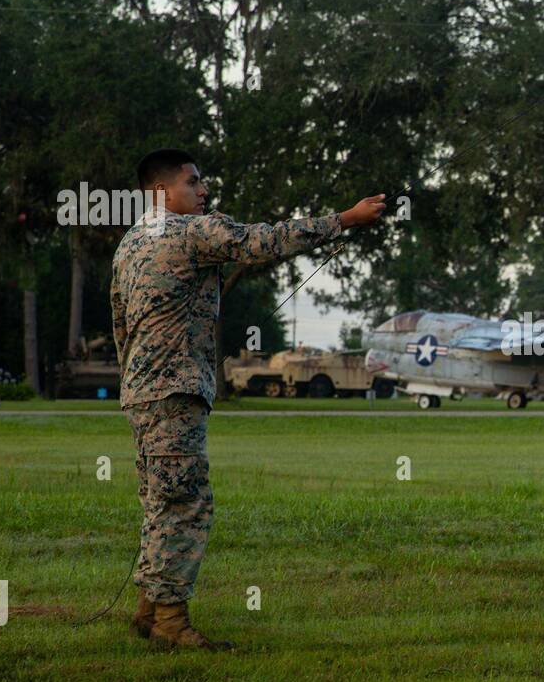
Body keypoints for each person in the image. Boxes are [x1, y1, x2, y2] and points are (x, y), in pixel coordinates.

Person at [111, 147, 385, 650]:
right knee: (185, 504)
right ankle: (170, 622)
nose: (205, 191)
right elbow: (263, 240)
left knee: (159, 500)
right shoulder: (191, 231)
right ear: (160, 192)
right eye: (193, 183)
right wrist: (345, 219)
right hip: (175, 392)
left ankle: (149, 609)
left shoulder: (130, 243)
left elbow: (120, 322)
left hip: (143, 392)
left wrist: (137, 377)